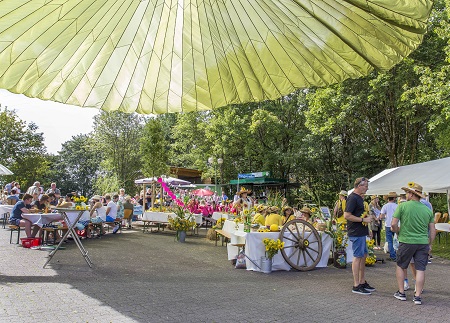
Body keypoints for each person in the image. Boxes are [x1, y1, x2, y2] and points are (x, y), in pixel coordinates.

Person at [391, 182, 435, 305]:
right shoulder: (427, 210)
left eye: (407, 192)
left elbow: (393, 224)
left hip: (406, 241)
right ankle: (418, 296)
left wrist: (397, 231)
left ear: (411, 194)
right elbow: (433, 230)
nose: (406, 195)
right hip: (422, 242)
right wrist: (430, 243)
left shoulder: (402, 206)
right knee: (420, 269)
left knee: (401, 265)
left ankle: (401, 293)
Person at [344, 177, 375, 295]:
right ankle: (356, 285)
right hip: (356, 232)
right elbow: (347, 215)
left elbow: (360, 214)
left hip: (361, 231)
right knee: (357, 257)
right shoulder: (352, 198)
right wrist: (363, 219)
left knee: (363, 256)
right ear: (359, 186)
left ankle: (362, 282)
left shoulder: (359, 198)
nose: (367, 188)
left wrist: (367, 227)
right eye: (365, 186)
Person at [380, 191, 398, 261]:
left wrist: (385, 217)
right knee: (397, 239)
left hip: (388, 225)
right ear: (394, 198)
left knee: (389, 241)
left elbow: (381, 216)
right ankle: (398, 254)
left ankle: (392, 255)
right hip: (396, 224)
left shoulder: (385, 206)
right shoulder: (397, 206)